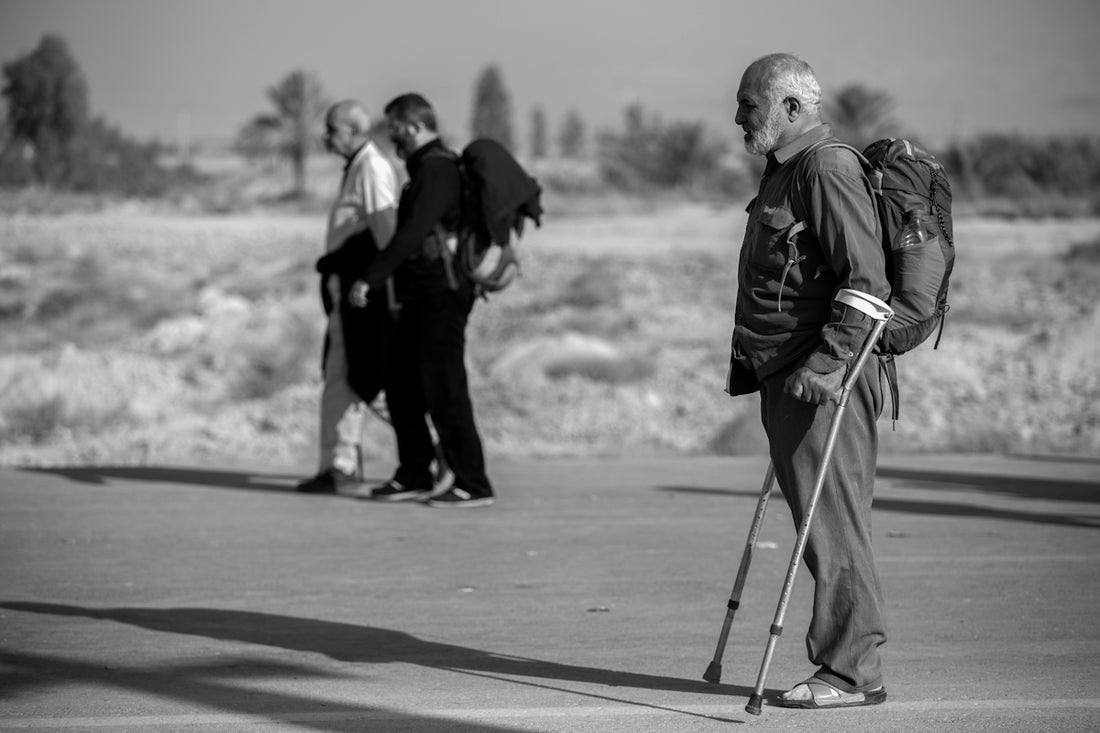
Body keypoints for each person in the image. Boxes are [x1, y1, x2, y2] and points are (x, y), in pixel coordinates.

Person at [726, 53, 891, 709]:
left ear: (790, 107)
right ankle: (847, 665)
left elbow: (867, 283)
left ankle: (852, 672)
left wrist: (827, 365)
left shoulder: (825, 168)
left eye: (747, 103)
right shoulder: (784, 172)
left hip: (825, 379)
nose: (737, 116)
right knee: (820, 524)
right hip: (787, 377)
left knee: (834, 525)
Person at [353, 93, 494, 508]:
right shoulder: (425, 170)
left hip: (442, 294)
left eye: (394, 129)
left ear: (413, 126)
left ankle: (473, 481)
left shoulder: (437, 171)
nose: (392, 138)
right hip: (420, 293)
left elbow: (412, 233)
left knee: (445, 387)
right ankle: (414, 472)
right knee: (401, 384)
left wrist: (371, 278)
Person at [296, 100, 398, 494]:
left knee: (360, 372)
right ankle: (339, 462)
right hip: (346, 282)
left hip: (359, 286)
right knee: (341, 372)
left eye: (334, 129)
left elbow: (385, 232)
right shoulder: (358, 166)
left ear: (356, 131)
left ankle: (433, 441)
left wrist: (371, 282)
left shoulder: (371, 167)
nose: (326, 137)